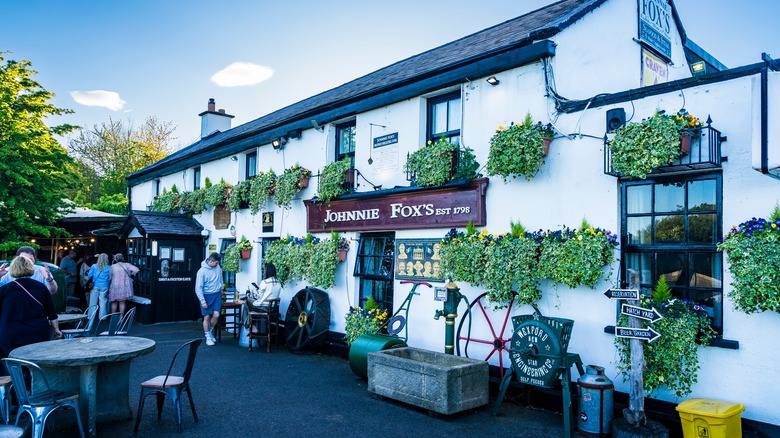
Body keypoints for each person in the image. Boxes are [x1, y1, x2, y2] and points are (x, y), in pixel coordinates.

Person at [0, 255, 62, 363]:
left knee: (14, 367)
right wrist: (56, 329)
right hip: (37, 334)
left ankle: (19, 380)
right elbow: (52, 312)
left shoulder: (5, 289)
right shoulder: (41, 287)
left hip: (11, 335)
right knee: (35, 366)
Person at [241, 263, 282, 333]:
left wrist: (256, 290)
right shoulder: (278, 282)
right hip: (273, 309)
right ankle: (250, 323)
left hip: (264, 308)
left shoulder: (265, 282)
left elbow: (258, 297)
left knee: (247, 301)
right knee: (249, 305)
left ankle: (249, 325)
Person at [195, 252, 223, 346]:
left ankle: (210, 332)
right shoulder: (201, 272)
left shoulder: (217, 267)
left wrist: (221, 287)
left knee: (216, 315)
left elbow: (220, 277)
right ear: (210, 261)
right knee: (207, 317)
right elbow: (198, 288)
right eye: (216, 262)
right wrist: (202, 301)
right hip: (206, 295)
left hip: (217, 294)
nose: (217, 264)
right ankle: (207, 336)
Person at [87, 254, 112, 318]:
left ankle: (90, 316)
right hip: (105, 285)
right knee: (103, 301)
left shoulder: (94, 266)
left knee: (93, 301)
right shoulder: (109, 267)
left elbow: (89, 275)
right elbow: (110, 277)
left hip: (95, 285)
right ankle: (102, 317)